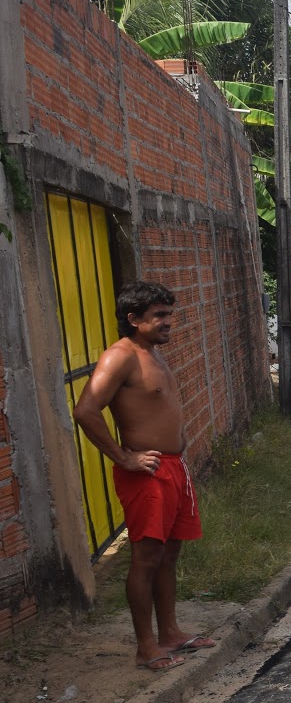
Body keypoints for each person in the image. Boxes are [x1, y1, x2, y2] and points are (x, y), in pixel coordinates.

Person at [72, 281, 216, 671]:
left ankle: (169, 633)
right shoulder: (120, 357)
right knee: (146, 558)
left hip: (173, 469)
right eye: (160, 316)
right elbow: (85, 410)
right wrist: (124, 458)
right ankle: (146, 647)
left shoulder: (152, 353)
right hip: (147, 473)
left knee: (169, 554)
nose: (169, 322)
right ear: (134, 319)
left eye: (170, 314)